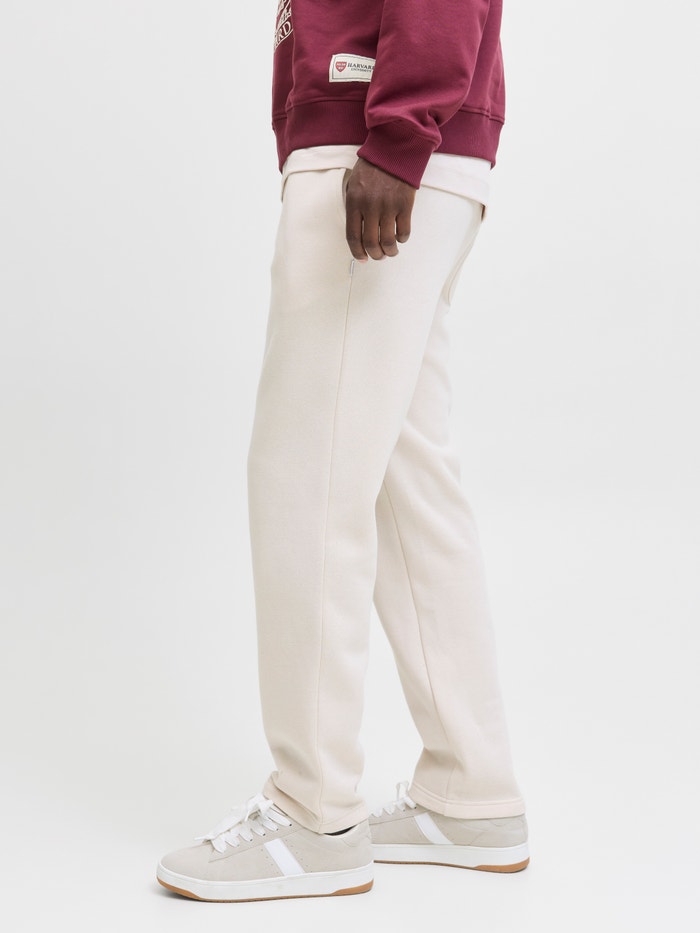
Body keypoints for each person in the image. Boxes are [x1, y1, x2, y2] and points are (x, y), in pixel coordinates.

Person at [157, 0, 528, 902]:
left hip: (379, 140)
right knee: (406, 484)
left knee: (305, 479)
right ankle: (468, 793)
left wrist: (396, 136)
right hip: (406, 139)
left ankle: (313, 809)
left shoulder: (391, 137)